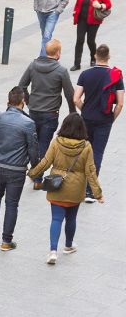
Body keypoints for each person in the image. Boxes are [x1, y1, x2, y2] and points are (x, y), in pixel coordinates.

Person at [28, 114, 103, 265]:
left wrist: (32, 173)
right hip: (76, 189)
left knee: (56, 219)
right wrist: (98, 194)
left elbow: (46, 162)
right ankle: (68, 246)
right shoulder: (86, 146)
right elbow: (90, 170)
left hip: (57, 186)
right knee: (71, 218)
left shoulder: (56, 142)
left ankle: (53, 251)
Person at [18, 38, 76, 189]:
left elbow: (21, 86)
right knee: (44, 145)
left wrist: (29, 102)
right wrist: (72, 112)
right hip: (50, 113)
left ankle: (32, 171)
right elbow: (69, 94)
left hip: (34, 111)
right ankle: (38, 179)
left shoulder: (33, 65)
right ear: (58, 53)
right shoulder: (61, 71)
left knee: (33, 144)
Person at [0, 87, 38, 250]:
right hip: (16, 169)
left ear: (8, 101)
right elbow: (32, 149)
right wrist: (35, 168)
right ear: (23, 101)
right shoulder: (28, 123)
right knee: (11, 204)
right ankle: (6, 241)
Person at [74, 44, 123, 202]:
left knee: (83, 152)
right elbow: (120, 104)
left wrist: (85, 110)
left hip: (87, 119)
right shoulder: (115, 76)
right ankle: (90, 192)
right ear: (108, 57)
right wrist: (111, 119)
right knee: (97, 154)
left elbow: (76, 99)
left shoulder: (85, 74)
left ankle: (78, 187)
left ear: (95, 56)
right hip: (104, 120)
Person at [71, 0, 112, 71]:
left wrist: (100, 6)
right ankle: (77, 64)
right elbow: (77, 4)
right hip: (82, 20)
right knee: (79, 40)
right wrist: (75, 12)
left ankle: (93, 58)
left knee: (90, 41)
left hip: (94, 21)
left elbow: (109, 4)